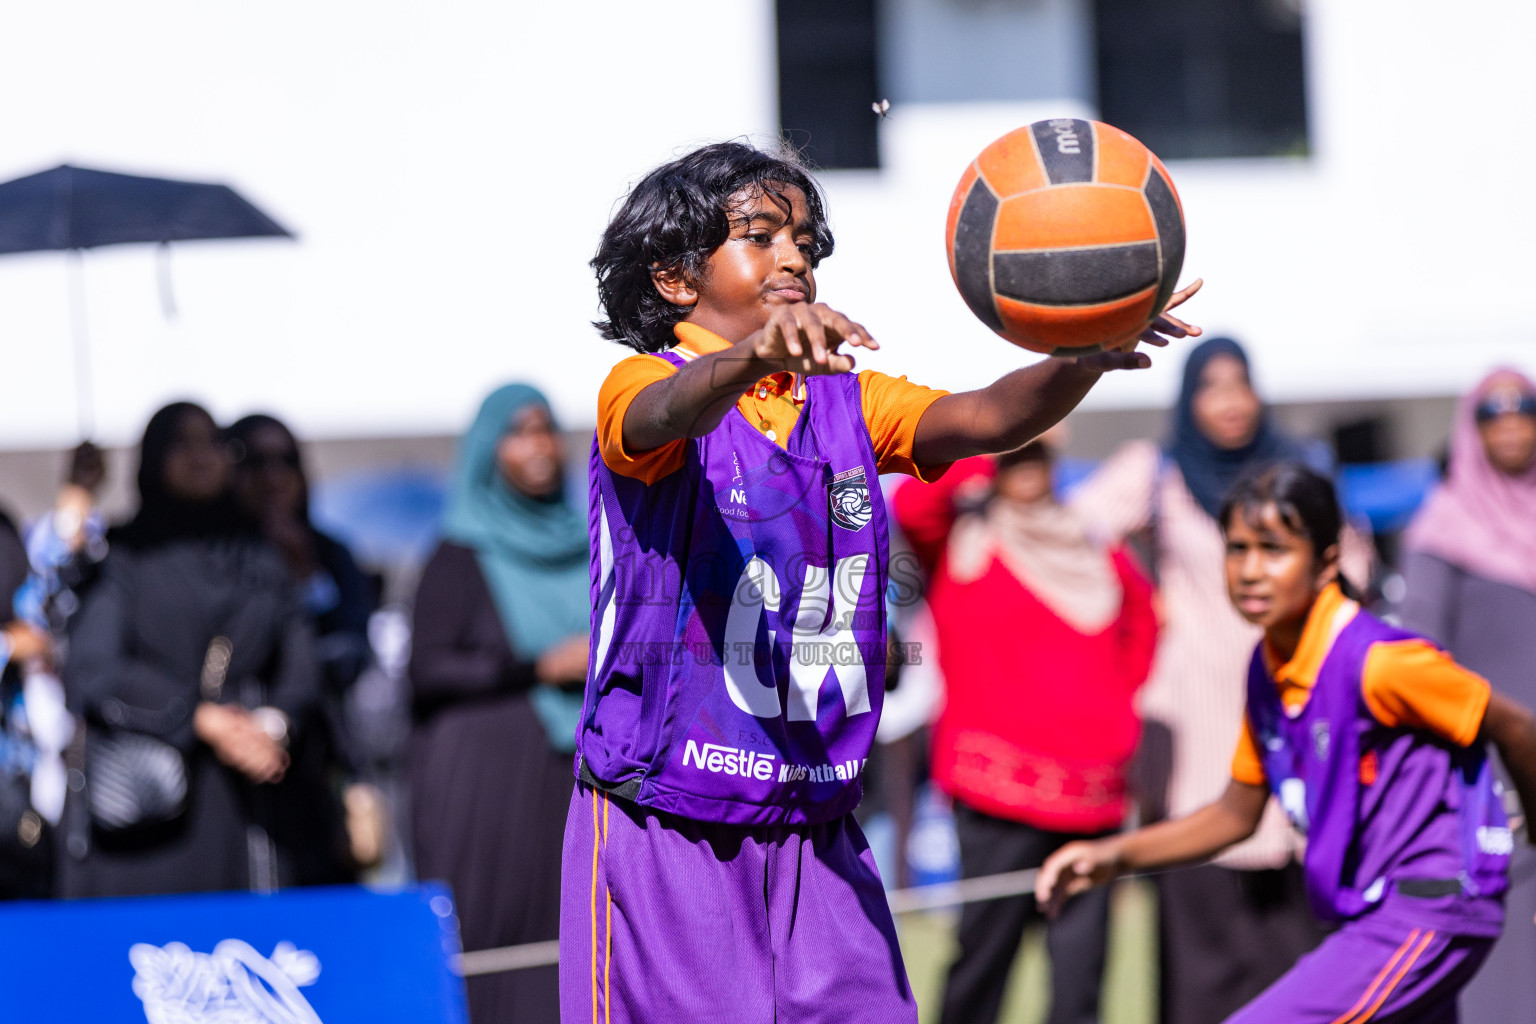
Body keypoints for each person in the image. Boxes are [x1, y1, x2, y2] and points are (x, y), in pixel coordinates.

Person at [565, 140, 1201, 1023]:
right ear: (675, 279)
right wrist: (748, 359)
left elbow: (986, 415)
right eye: (762, 236)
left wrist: (1086, 351)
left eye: (807, 242)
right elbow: (663, 413)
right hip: (670, 815)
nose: (795, 257)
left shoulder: (845, 401)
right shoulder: (646, 387)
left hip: (813, 814)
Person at [1037, 462, 1536, 1024]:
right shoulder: (1269, 664)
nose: (1250, 571)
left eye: (1274, 549)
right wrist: (1114, 855)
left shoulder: (1378, 661)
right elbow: (1233, 815)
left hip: (1431, 906)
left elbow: (1518, 728)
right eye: (1237, 548)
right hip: (1374, 914)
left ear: (1326, 563)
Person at [1069, 337, 1353, 1023]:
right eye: (1211, 386)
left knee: (1300, 952)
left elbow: (1355, 577)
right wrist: (1137, 600)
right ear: (1188, 398)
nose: (1229, 402)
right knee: (1203, 955)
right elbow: (1072, 530)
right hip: (1198, 715)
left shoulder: (1299, 472)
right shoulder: (1158, 472)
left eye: (1240, 384)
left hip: (1294, 702)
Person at [894, 437, 1158, 1024]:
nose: (1025, 467)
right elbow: (914, 501)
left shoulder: (1094, 545)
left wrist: (1121, 715)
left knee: (1079, 982)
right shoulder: (966, 542)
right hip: (995, 799)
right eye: (1017, 456)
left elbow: (1145, 623)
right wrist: (1001, 434)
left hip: (1092, 798)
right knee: (981, 968)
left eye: (1036, 454)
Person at [60, 402, 325, 897]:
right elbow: (94, 668)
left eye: (213, 443)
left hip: (252, 802)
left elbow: (300, 660)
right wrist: (200, 718)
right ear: (154, 458)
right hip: (152, 814)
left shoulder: (258, 557)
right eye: (182, 444)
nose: (201, 456)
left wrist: (274, 725)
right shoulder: (125, 556)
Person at [409, 384, 589, 1024]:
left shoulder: (588, 541)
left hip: (577, 774)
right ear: (487, 451)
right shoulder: (460, 553)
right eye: (517, 433)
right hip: (485, 789)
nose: (538, 447)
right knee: (495, 950)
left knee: (575, 941)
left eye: (545, 430)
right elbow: (427, 669)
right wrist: (540, 665)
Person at [1398, 368, 1536, 1021]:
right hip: (1498, 791)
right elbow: (1419, 669)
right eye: (1493, 414)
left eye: (1524, 410)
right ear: (1470, 430)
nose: (1511, 424)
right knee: (1502, 982)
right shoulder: (1444, 533)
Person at [229, 413, 378, 876]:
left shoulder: (331, 553)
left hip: (314, 767)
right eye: (254, 462)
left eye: (285, 462)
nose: (273, 478)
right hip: (230, 770)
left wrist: (308, 580)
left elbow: (350, 658)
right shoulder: (213, 557)